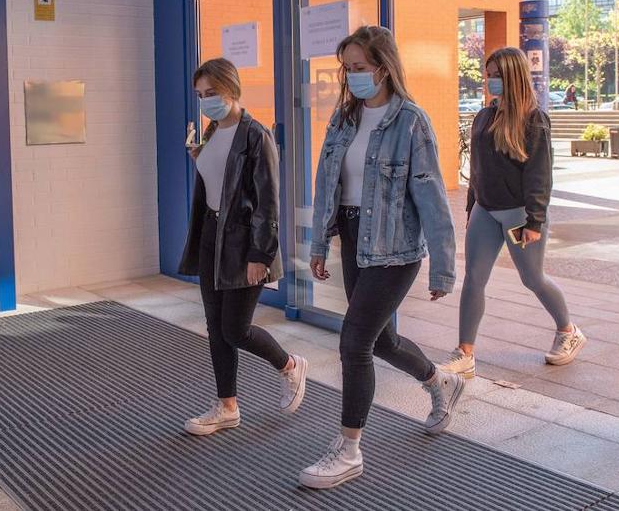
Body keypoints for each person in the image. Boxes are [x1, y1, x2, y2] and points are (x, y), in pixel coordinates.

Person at [299, 26, 463, 490]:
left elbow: (431, 198)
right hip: (354, 239)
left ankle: (349, 449)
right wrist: (319, 244)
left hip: (395, 250)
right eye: (346, 68)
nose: (352, 77)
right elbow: (326, 183)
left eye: (360, 68)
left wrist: (443, 266)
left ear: (384, 67)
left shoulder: (411, 121)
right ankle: (440, 383)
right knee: (382, 342)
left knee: (354, 343)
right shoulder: (344, 118)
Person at [179, 58, 308, 436]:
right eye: (201, 95)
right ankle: (227, 406)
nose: (206, 101)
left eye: (212, 94)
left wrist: (261, 255)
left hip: (244, 242)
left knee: (236, 329)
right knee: (216, 329)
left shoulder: (256, 136)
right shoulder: (211, 131)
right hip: (210, 237)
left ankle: (290, 366)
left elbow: (269, 200)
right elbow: (217, 187)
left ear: (232, 90)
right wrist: (200, 160)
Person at [442, 47, 585, 381]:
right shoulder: (483, 116)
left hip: (520, 214)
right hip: (485, 210)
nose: (490, 81)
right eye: (488, 74)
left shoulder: (534, 119)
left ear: (513, 77)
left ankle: (568, 330)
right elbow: (477, 169)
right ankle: (465, 353)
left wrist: (534, 221)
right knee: (474, 278)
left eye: (496, 75)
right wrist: (471, 208)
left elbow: (539, 175)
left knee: (532, 278)